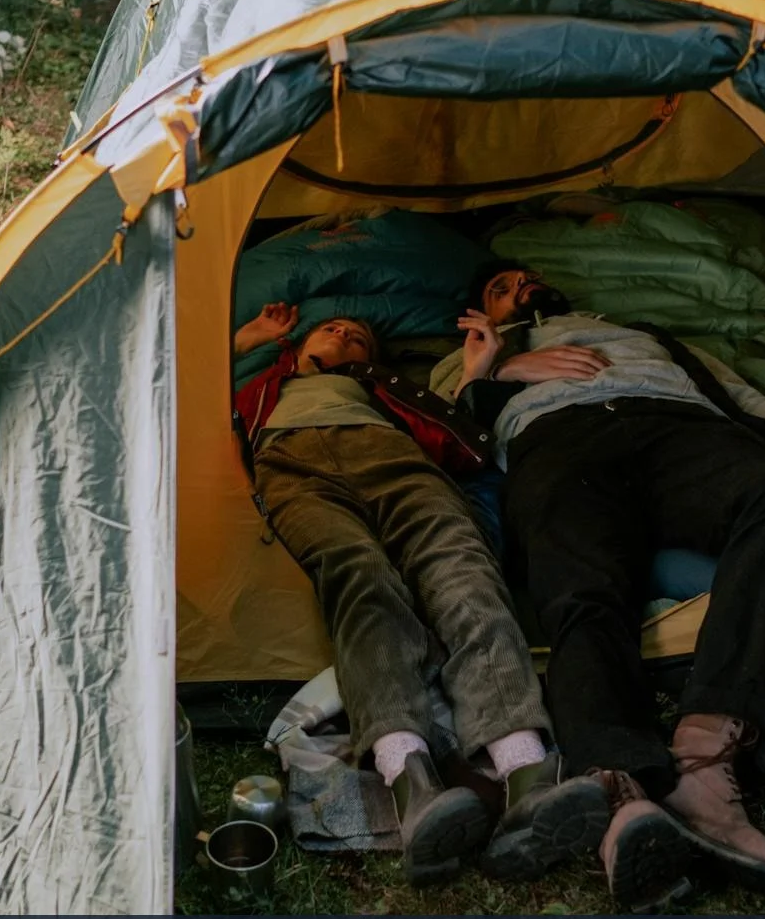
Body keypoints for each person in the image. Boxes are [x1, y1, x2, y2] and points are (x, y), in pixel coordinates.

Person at [433, 264, 765, 908]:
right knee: (580, 592)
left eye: (525, 277)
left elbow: (732, 390)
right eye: (499, 288)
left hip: (677, 427)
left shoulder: (644, 333)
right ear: (481, 308)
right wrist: (494, 371)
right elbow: (450, 435)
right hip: (558, 440)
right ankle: (618, 797)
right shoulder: (475, 351)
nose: (519, 288)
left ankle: (706, 764)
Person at [233, 302, 606, 886]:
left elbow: (459, 434)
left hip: (392, 456)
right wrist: (247, 338)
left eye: (359, 336)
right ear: (300, 346)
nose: (346, 331)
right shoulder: (261, 382)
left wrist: (478, 370)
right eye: (333, 328)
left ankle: (528, 774)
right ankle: (412, 784)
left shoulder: (389, 391)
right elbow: (173, 381)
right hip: (290, 462)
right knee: (357, 575)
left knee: (461, 568)